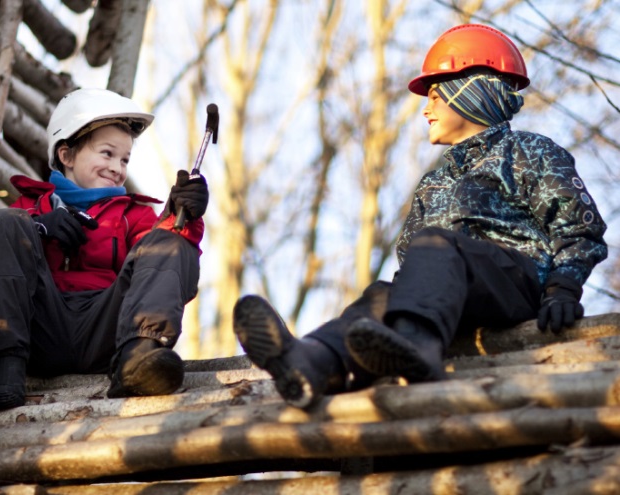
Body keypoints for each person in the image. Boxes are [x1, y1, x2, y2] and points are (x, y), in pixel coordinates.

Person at [232, 24, 608, 409]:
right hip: (451, 295)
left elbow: (579, 227)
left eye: (434, 96)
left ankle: (418, 348)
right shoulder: (435, 180)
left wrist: (562, 288)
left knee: (436, 245)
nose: (425, 109)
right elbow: (415, 261)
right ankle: (314, 359)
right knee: (381, 295)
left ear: (469, 92)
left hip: (514, 282)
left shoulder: (528, 151)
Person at [0, 88, 209, 411]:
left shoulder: (133, 215)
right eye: (107, 154)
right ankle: (5, 369)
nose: (117, 167)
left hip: (106, 330)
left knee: (169, 242)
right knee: (0, 222)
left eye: (124, 159)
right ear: (66, 155)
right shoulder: (31, 208)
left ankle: (138, 360)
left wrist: (182, 217)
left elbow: (160, 264)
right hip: (40, 330)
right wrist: (38, 229)